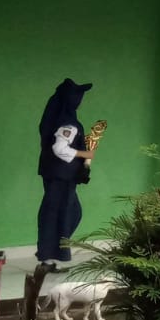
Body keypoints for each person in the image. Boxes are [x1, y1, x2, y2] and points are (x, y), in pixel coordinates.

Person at [36, 78, 97, 268]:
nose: (81, 100)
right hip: (61, 178)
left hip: (57, 176)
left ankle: (49, 253)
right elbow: (59, 148)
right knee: (61, 214)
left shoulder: (56, 118)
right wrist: (83, 153)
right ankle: (50, 257)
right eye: (79, 96)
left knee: (66, 213)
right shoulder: (68, 124)